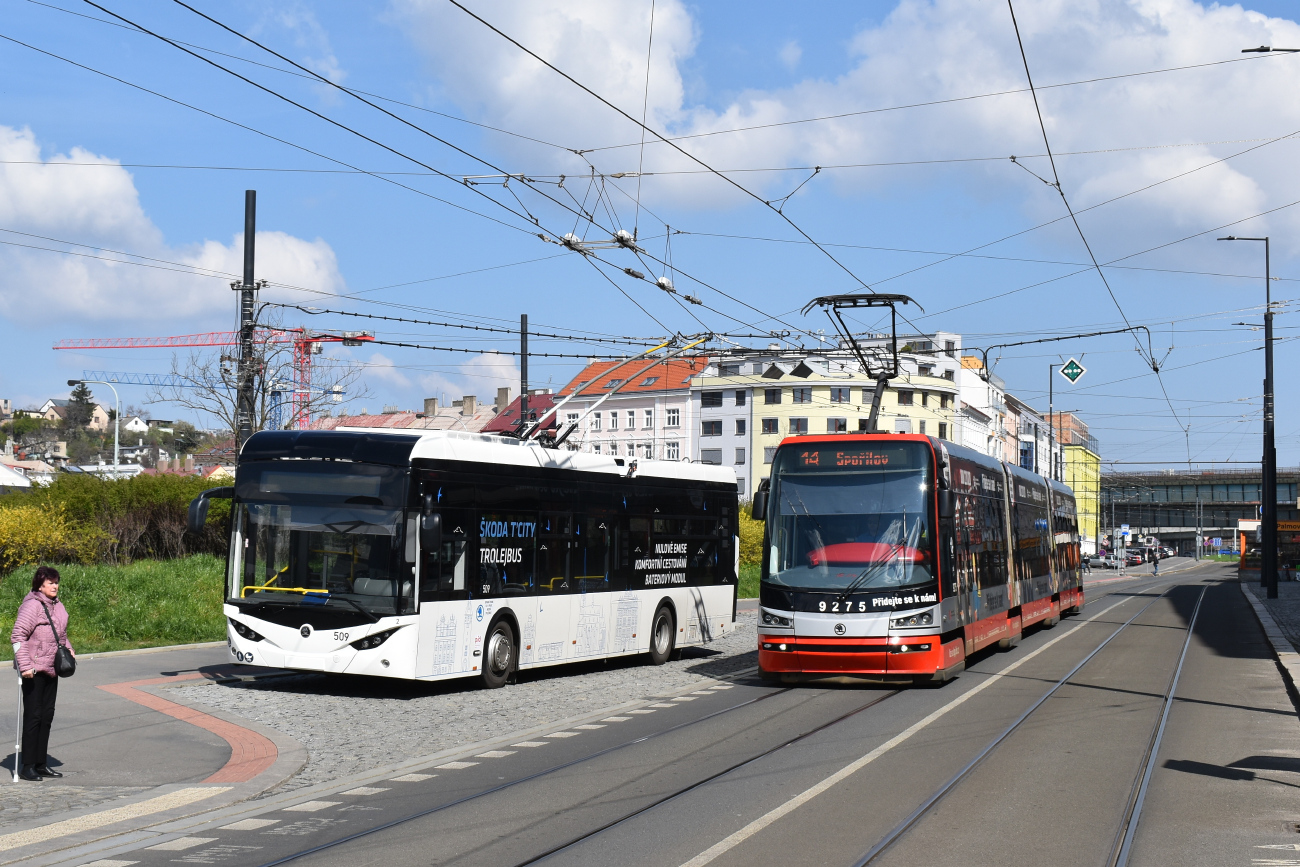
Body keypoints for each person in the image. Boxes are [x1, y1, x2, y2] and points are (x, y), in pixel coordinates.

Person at [11, 566, 74, 782]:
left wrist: (69, 649)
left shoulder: (58, 606)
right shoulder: (32, 606)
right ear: (40, 584)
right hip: (33, 669)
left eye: (56, 582)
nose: (55, 586)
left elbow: (61, 635)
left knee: (47, 716)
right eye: (51, 582)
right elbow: (18, 636)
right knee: (33, 716)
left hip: (52, 668)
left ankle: (41, 764)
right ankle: (27, 766)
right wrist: (25, 666)